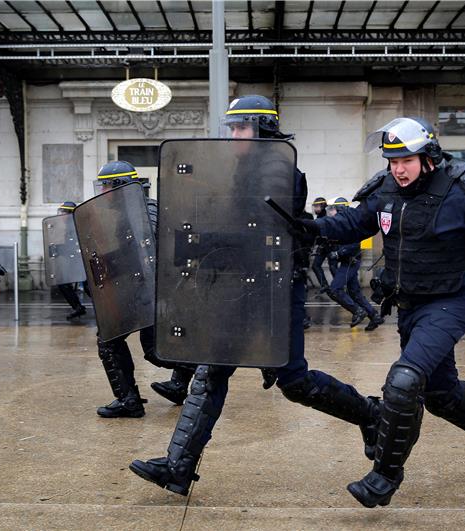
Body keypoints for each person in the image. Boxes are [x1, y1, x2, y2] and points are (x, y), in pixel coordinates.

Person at [129, 95, 381, 496]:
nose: (233, 134)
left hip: (276, 287)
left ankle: (370, 413)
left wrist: (205, 240)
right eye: (231, 127)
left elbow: (258, 233)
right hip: (243, 285)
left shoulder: (281, 171)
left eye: (240, 127)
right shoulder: (241, 169)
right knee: (211, 369)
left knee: (294, 381)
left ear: (262, 129)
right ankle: (178, 467)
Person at [297, 117, 465, 507]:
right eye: (392, 161)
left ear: (427, 155)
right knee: (440, 392)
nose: (398, 169)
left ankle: (384, 475)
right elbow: (353, 223)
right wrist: (310, 228)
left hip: (452, 302)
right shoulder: (385, 188)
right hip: (410, 304)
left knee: (404, 381)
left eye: (406, 160)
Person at [86, 161, 192, 416]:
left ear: (121, 186)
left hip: (155, 293)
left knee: (155, 352)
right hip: (144, 291)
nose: (102, 193)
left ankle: (203, 366)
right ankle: (134, 399)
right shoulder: (129, 210)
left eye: (106, 187)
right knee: (112, 339)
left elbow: (149, 248)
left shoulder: (146, 210)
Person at [324, 197, 385, 330]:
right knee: (355, 293)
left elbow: (355, 244)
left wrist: (338, 254)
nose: (329, 212)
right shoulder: (342, 222)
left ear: (339, 208)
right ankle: (374, 316)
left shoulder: (349, 223)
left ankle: (357, 311)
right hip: (348, 262)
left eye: (331, 209)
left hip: (350, 262)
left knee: (334, 290)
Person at [53, 201, 88, 321]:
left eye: (63, 212)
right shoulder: (69, 226)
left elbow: (75, 246)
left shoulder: (76, 225)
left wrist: (60, 249)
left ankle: (104, 311)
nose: (61, 215)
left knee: (89, 288)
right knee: (63, 282)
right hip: (75, 262)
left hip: (81, 262)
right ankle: (77, 307)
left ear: (69, 214)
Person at [310, 197, 337, 292]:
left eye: (317, 206)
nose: (315, 209)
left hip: (331, 246)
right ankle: (324, 285)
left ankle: (339, 286)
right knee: (315, 265)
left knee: (333, 267)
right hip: (323, 246)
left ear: (322, 206)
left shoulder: (328, 216)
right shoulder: (319, 218)